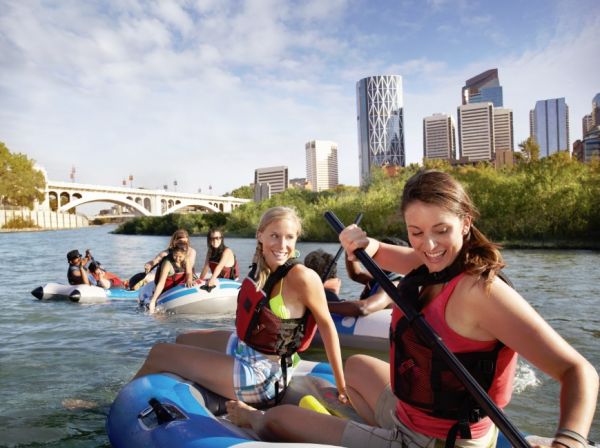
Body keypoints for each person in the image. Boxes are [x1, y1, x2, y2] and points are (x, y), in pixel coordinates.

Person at [225, 170, 598, 448]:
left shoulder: (479, 292)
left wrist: (568, 441)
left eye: (441, 230)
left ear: (465, 223)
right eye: (416, 232)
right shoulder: (431, 263)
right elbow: (382, 252)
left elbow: (577, 371)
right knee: (357, 366)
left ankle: (261, 420)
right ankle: (376, 426)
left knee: (280, 420)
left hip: (435, 441)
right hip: (411, 414)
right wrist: (361, 242)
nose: (429, 245)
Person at [133, 206, 348, 406]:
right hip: (245, 348)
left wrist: (341, 385)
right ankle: (165, 388)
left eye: (289, 237)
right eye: (275, 236)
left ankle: (118, 406)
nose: (282, 245)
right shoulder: (262, 264)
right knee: (183, 339)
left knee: (159, 352)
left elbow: (327, 327)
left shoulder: (302, 277)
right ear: (260, 235)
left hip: (263, 375)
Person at [327, 236, 405, 317]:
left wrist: (321, 306)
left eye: (377, 253)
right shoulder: (382, 278)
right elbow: (356, 275)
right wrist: (349, 248)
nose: (372, 256)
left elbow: (363, 308)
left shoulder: (393, 286)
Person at [147, 243, 188, 314]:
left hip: (179, 288)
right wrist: (153, 300)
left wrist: (189, 279)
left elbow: (189, 273)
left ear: (184, 255)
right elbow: (161, 282)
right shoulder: (167, 264)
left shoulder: (186, 259)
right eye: (175, 256)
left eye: (180, 257)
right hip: (167, 290)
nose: (177, 259)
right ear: (172, 253)